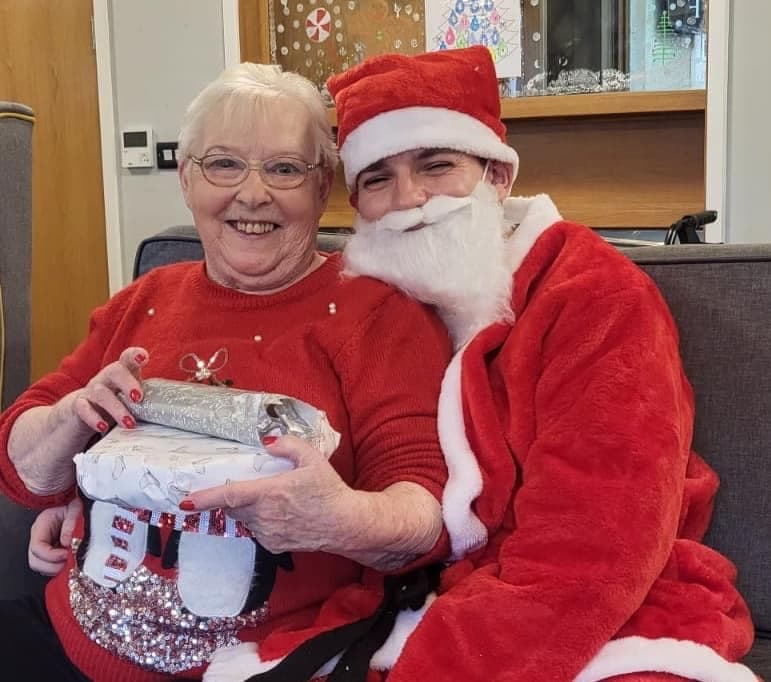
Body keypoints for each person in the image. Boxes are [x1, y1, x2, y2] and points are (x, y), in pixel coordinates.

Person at [0, 62, 452, 682]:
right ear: (187, 180)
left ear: (323, 189)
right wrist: (70, 415)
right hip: (67, 635)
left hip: (258, 664)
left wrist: (338, 519)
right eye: (224, 164)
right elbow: (21, 470)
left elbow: (427, 515)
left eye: (285, 168)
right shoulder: (146, 297)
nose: (253, 193)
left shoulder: (377, 313)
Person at [326, 46, 758, 681]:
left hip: (607, 607)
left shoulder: (594, 295)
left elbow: (596, 543)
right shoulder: (358, 309)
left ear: (497, 177)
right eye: (377, 179)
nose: (409, 200)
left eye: (436, 165)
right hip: (408, 597)